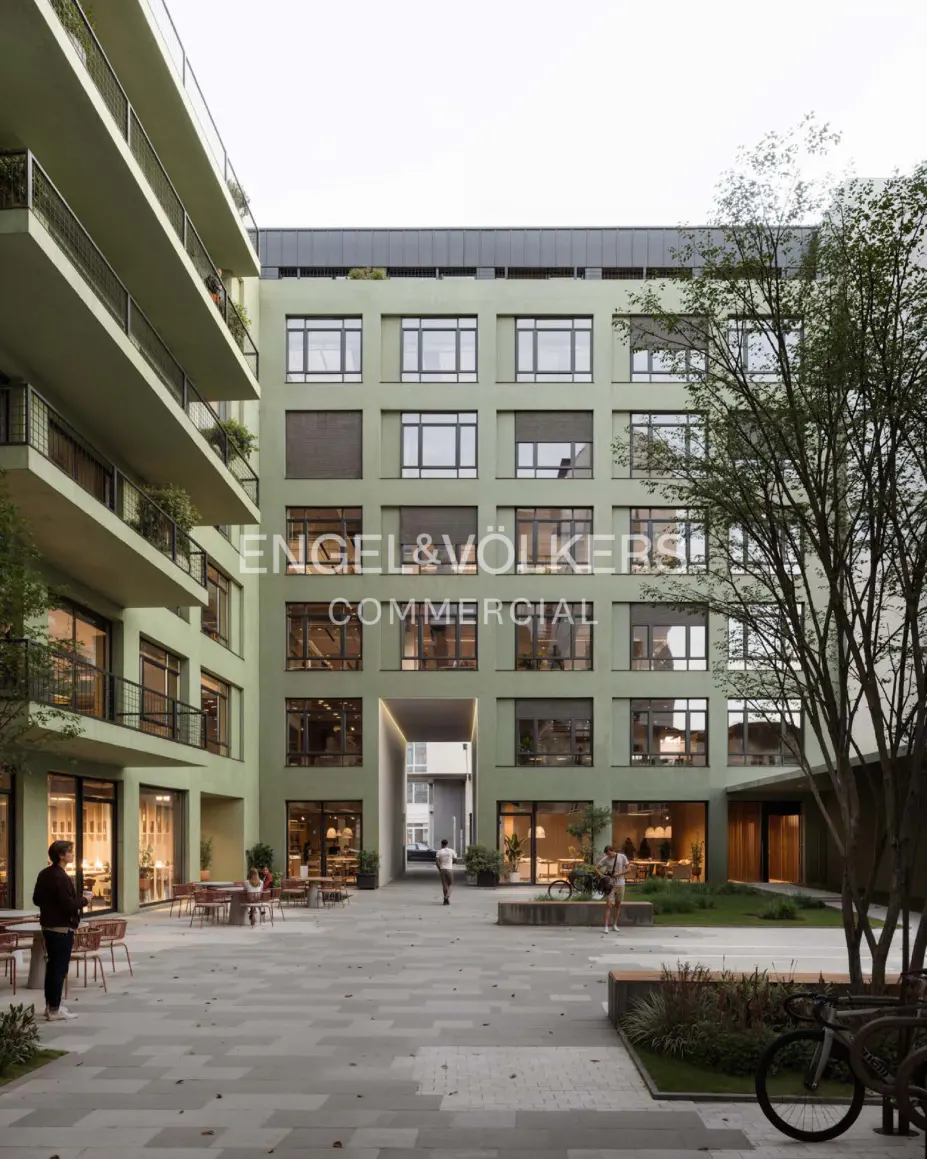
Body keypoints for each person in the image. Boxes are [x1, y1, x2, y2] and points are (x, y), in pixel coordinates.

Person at [32, 840, 91, 1021]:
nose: (72, 855)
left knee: (52, 968)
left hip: (48, 926)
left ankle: (51, 1006)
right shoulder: (61, 877)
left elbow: (36, 899)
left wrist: (50, 907)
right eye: (70, 852)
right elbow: (68, 905)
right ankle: (54, 1010)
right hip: (61, 928)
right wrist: (85, 900)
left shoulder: (45, 874)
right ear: (61, 856)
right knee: (59, 969)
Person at [597, 844, 629, 933]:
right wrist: (602, 876)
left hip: (621, 883)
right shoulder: (606, 859)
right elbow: (596, 868)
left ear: (613, 850)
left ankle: (614, 925)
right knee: (608, 905)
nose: (609, 856)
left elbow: (629, 869)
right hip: (610, 884)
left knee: (618, 905)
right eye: (607, 854)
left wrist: (619, 874)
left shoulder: (622, 857)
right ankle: (606, 926)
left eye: (609, 854)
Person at [435, 839, 456, 905]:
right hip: (449, 869)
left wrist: (440, 869)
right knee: (450, 884)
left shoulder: (439, 852)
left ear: (441, 844)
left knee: (444, 885)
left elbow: (437, 862)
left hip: (442, 869)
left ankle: (445, 899)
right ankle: (447, 897)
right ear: (447, 844)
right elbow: (455, 860)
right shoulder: (452, 851)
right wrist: (452, 863)